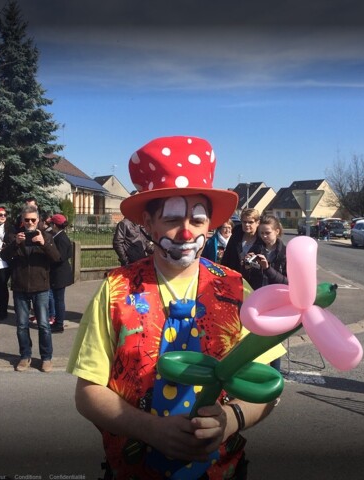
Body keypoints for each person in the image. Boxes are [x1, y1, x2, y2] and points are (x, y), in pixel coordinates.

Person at [67, 136, 284, 480]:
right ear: (149, 224)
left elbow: (267, 387)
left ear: (210, 225)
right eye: (171, 219)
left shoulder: (235, 289)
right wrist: (151, 430)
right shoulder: (116, 289)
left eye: (197, 220)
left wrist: (231, 420)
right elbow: (88, 393)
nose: (185, 232)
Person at [0, 205, 61, 373]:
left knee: (43, 325)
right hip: (20, 286)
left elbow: (56, 258)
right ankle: (25, 356)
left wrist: (43, 244)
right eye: (26, 220)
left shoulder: (47, 236)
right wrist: (15, 244)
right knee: (21, 325)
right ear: (22, 220)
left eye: (33, 220)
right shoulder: (14, 236)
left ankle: (46, 358)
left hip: (40, 286)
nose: (30, 223)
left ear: (38, 220)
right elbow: (3, 256)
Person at [243, 214, 288, 372]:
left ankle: (275, 376)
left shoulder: (285, 253)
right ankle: (255, 373)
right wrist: (247, 266)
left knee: (274, 341)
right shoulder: (256, 248)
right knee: (253, 339)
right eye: (261, 233)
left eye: (267, 233)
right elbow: (248, 277)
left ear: (277, 231)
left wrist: (267, 268)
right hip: (257, 299)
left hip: (277, 302)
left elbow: (287, 283)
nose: (264, 236)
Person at [221, 207, 263, 287]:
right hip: (234, 281)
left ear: (258, 223)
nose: (247, 225)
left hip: (254, 284)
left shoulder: (262, 240)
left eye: (250, 222)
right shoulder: (235, 237)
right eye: (244, 222)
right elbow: (226, 259)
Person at [48, 213, 74, 334]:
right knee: (57, 298)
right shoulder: (59, 236)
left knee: (59, 300)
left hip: (60, 274)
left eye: (51, 224)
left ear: (54, 225)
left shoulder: (61, 238)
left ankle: (59, 324)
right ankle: (58, 322)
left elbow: (60, 257)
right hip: (58, 273)